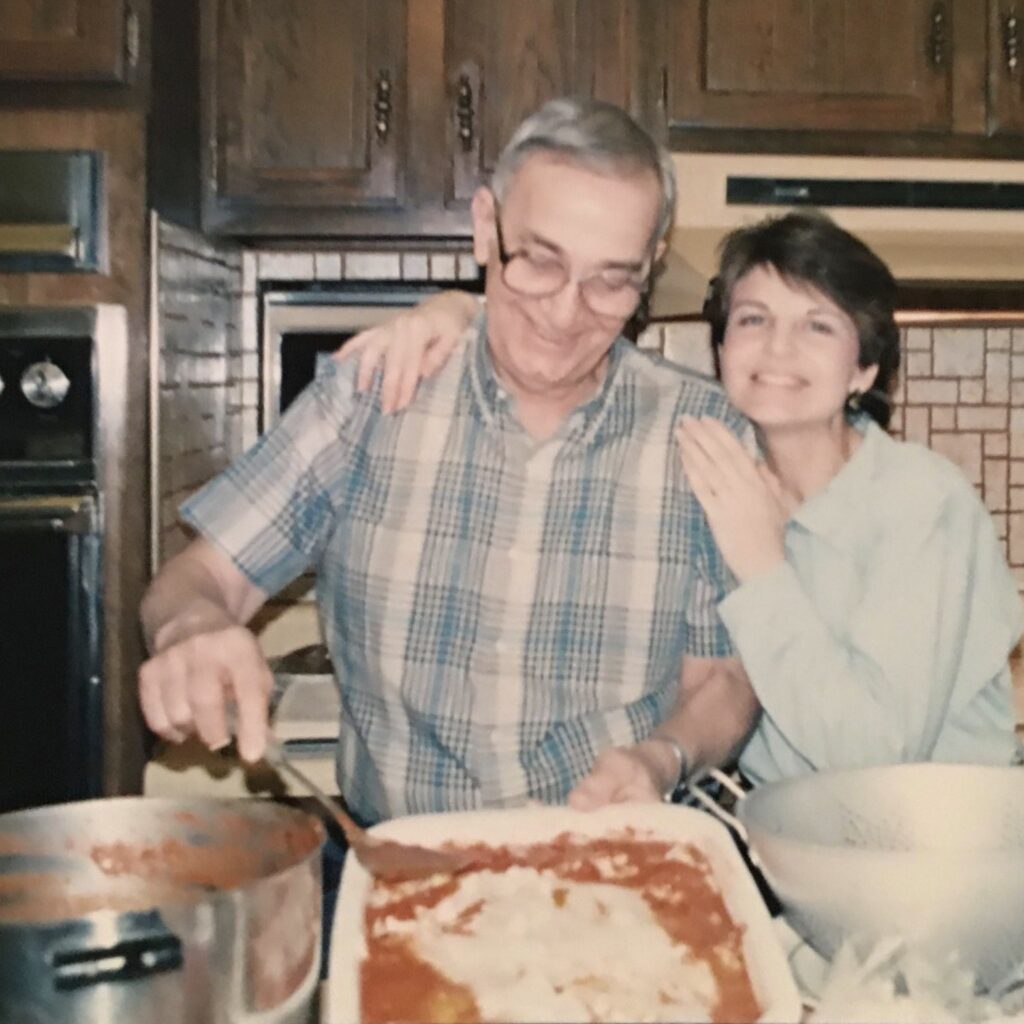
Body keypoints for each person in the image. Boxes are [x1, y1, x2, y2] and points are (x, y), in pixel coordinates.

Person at [138, 97, 760, 826]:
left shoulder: (703, 432)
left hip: (612, 870)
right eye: (538, 260)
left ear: (651, 264)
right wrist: (191, 631)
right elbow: (198, 579)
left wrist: (664, 758)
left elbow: (721, 678)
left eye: (611, 279)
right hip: (402, 867)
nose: (565, 314)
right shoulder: (370, 396)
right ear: (483, 227)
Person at [346, 209, 1024, 786]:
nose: (779, 348)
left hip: (936, 876)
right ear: (723, 348)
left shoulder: (921, 504)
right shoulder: (708, 461)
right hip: (794, 863)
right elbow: (588, 356)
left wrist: (763, 565)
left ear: (864, 367)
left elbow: (873, 755)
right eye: (753, 319)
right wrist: (460, 309)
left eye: (818, 326)